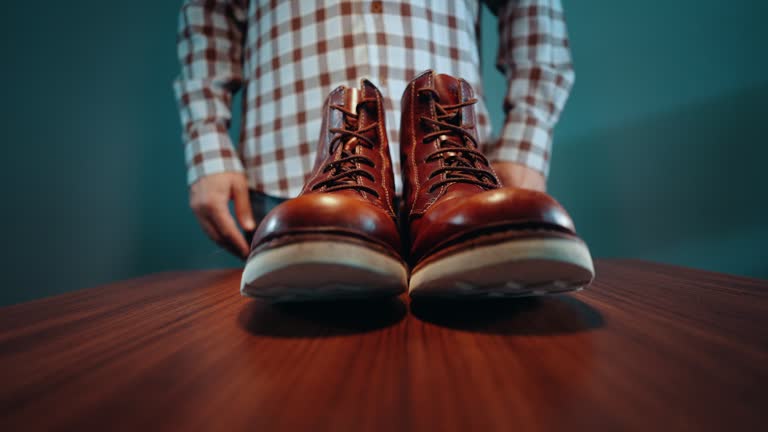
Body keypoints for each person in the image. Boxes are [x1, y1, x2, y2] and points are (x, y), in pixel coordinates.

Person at [174, 0, 575, 261]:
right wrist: (207, 143)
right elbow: (208, 15)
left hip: (459, 180)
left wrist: (527, 141)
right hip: (286, 178)